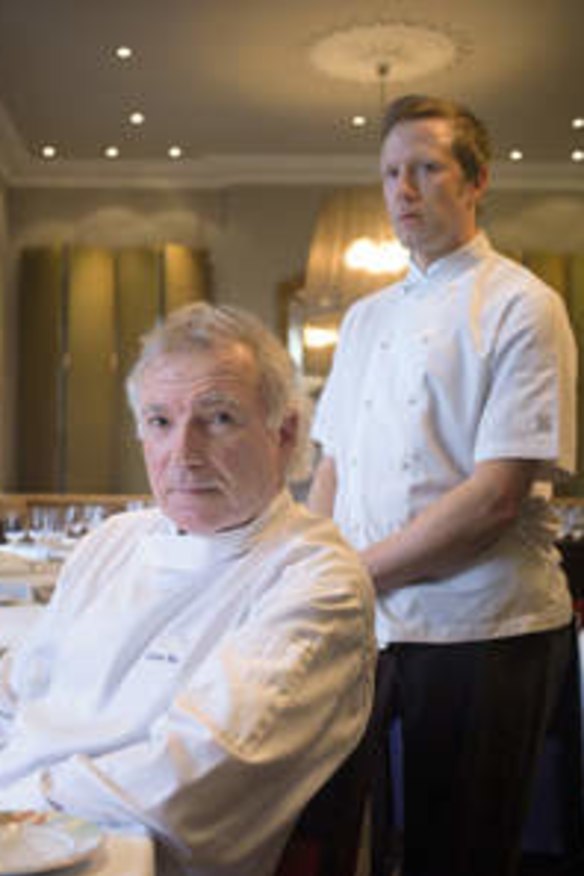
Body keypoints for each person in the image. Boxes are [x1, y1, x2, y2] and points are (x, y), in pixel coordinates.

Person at [0, 302, 376, 876]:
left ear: (285, 432)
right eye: (160, 422)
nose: (183, 453)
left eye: (218, 418)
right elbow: (23, 693)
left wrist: (18, 802)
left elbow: (189, 772)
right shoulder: (114, 541)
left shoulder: (315, 578)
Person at [308, 94, 578, 876]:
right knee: (370, 842)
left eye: (427, 168)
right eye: (392, 172)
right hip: (373, 625)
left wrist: (345, 575)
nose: (405, 190)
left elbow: (497, 495)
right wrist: (318, 567)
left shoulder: (524, 304)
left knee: (457, 853)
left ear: (477, 180)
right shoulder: (363, 318)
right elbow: (333, 466)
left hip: (484, 630)